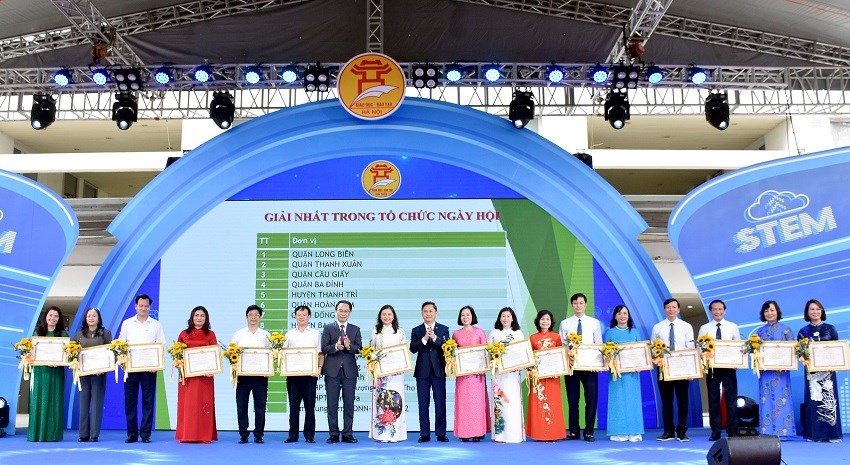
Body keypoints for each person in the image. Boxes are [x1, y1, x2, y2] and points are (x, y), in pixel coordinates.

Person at [117, 294, 166, 443]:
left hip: (149, 369)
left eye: (146, 306)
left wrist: (156, 364)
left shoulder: (156, 325)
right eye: (141, 305)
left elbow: (161, 345)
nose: (143, 308)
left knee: (148, 402)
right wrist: (123, 362)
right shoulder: (127, 323)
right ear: (135, 306)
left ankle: (145, 434)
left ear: (149, 307)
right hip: (130, 369)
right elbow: (120, 344)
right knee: (130, 402)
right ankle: (132, 434)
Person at [557, 292, 602, 441]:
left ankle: (589, 431)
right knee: (572, 400)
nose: (578, 306)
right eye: (575, 303)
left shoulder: (594, 323)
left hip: (590, 368)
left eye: (581, 303)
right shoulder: (565, 323)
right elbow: (562, 345)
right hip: (572, 368)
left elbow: (598, 344)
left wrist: (597, 364)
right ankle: (574, 431)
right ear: (572, 305)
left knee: (591, 400)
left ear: (585, 305)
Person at [797, 299, 843, 443]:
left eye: (818, 309)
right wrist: (806, 361)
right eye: (812, 309)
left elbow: (837, 349)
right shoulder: (803, 331)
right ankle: (814, 434)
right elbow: (800, 352)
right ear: (807, 312)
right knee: (814, 401)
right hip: (812, 374)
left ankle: (832, 434)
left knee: (829, 401)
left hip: (828, 372)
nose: (815, 312)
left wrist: (834, 364)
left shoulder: (830, 328)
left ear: (822, 311)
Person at [651, 297, 695, 442]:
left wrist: (691, 370)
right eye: (668, 307)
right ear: (664, 309)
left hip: (682, 368)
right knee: (666, 401)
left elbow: (690, 349)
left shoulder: (686, 326)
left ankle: (682, 431)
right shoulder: (657, 327)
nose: (671, 309)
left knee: (683, 401)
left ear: (678, 309)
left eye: (674, 307)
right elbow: (653, 348)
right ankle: (668, 431)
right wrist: (657, 359)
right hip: (664, 369)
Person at [698, 299, 741, 441]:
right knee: (713, 399)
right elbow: (699, 348)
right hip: (712, 369)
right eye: (715, 309)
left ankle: (732, 430)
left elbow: (738, 346)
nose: (717, 311)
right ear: (711, 311)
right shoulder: (704, 328)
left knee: (731, 399)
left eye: (720, 309)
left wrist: (737, 361)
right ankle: (715, 431)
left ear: (724, 310)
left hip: (729, 368)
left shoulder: (732, 327)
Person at [175, 305, 218, 443]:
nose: (199, 318)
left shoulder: (211, 334)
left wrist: (212, 369)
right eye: (196, 315)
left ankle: (204, 435)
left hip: (205, 377)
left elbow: (215, 354)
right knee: (189, 406)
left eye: (202, 316)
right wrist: (179, 363)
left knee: (203, 405)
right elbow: (177, 353)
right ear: (192, 317)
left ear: (206, 318)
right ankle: (187, 434)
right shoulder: (183, 334)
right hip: (187, 378)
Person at [321, 300, 362, 444]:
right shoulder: (328, 328)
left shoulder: (355, 329)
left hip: (349, 372)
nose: (343, 313)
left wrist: (350, 347)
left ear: (349, 313)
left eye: (346, 311)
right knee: (332, 404)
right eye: (340, 310)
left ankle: (347, 433)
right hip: (332, 371)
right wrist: (336, 347)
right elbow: (324, 348)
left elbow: (360, 349)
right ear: (336, 311)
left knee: (349, 403)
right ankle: (333, 433)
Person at [755, 300, 796, 438]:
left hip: (781, 372)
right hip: (765, 372)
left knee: (782, 399)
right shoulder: (759, 332)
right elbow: (756, 352)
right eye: (766, 311)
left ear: (777, 311)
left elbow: (793, 351)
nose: (769, 313)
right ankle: (767, 431)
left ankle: (785, 431)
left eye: (772, 310)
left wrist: (785, 365)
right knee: (766, 399)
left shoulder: (786, 330)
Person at [230, 304, 271, 444]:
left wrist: (268, 368)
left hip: (260, 376)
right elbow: (232, 354)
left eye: (256, 315)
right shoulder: (238, 334)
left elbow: (271, 354)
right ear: (246, 317)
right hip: (242, 376)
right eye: (250, 315)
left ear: (260, 317)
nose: (253, 317)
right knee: (242, 406)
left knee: (260, 406)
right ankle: (243, 434)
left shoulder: (266, 335)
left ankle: (259, 434)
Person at [410, 301, 450, 442]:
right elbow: (412, 348)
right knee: (423, 403)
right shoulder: (416, 330)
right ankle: (424, 433)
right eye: (425, 311)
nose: (428, 314)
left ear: (436, 313)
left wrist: (434, 337)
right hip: (422, 372)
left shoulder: (444, 329)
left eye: (430, 311)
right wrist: (425, 338)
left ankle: (441, 433)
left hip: (439, 370)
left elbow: (447, 347)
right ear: (422, 313)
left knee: (440, 402)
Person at [28, 306, 68, 442]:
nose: (52, 318)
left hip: (56, 372)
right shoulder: (37, 332)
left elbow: (67, 355)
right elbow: (32, 352)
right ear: (46, 317)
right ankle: (36, 434)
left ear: (59, 318)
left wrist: (59, 362)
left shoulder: (63, 334)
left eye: (56, 316)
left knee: (54, 400)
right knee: (39, 399)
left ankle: (53, 434)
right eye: (50, 315)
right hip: (40, 372)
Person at [604, 305, 644, 442]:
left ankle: (634, 432)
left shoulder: (635, 332)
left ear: (629, 315)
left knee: (633, 402)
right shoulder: (609, 333)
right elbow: (606, 354)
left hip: (632, 375)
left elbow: (641, 353)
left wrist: (641, 365)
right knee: (618, 402)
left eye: (625, 313)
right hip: (616, 375)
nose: (622, 316)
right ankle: (618, 432)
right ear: (615, 316)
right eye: (619, 313)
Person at [283, 304, 322, 443]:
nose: (301, 317)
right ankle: (293, 435)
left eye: (304, 315)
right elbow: (284, 354)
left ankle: (310, 435)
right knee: (293, 406)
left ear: (309, 317)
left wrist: (319, 368)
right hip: (293, 376)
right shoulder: (289, 334)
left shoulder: (315, 334)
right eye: (299, 315)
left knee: (310, 406)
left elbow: (320, 354)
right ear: (295, 316)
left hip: (310, 376)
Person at [369, 304, 407, 442]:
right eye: (384, 314)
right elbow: (371, 351)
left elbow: (404, 351)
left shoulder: (400, 332)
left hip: (397, 373)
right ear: (380, 316)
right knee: (382, 400)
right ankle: (382, 434)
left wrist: (402, 366)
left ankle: (395, 434)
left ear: (394, 316)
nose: (386, 317)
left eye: (389, 314)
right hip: (381, 374)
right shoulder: (375, 332)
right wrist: (373, 364)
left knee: (395, 400)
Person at [526, 309, 566, 441]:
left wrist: (558, 371)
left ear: (551, 321)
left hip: (553, 377)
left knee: (553, 404)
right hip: (538, 379)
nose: (545, 321)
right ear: (538, 321)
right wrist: (532, 370)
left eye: (547, 319)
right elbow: (529, 358)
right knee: (538, 405)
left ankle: (553, 434)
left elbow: (561, 357)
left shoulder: (556, 337)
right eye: (542, 319)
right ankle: (539, 434)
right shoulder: (532, 338)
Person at [452, 305, 490, 442]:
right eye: (463, 315)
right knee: (463, 403)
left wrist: (483, 366)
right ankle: (464, 432)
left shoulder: (480, 332)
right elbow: (453, 354)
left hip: (477, 375)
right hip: (462, 375)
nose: (465, 317)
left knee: (476, 403)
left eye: (468, 315)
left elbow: (486, 352)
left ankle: (478, 432)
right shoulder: (456, 334)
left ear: (472, 316)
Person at [75, 307, 113, 442]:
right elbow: (74, 353)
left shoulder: (105, 333)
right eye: (89, 316)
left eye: (94, 316)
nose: (91, 318)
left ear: (99, 318)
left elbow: (110, 353)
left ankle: (94, 434)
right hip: (83, 374)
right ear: (85, 318)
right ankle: (83, 434)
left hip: (99, 375)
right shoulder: (79, 334)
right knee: (83, 404)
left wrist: (103, 368)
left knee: (97, 404)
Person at [490, 307, 525, 443]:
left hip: (513, 375)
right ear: (499, 318)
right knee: (500, 403)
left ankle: (514, 434)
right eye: (503, 316)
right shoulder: (494, 333)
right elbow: (489, 352)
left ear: (512, 318)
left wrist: (520, 364)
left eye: (508, 316)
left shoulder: (518, 333)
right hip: (499, 375)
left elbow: (522, 352)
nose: (505, 319)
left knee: (513, 403)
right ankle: (499, 435)